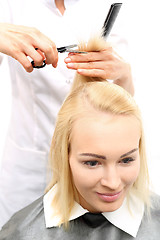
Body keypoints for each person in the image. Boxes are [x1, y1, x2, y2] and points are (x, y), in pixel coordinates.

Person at [0, 36, 159, 240]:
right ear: (62, 153)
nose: (112, 182)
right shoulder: (22, 233)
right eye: (92, 163)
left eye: (126, 160)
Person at [0, 0, 134, 228]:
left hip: (95, 166)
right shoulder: (11, 5)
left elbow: (122, 109)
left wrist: (123, 76)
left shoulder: (110, 6)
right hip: (28, 168)